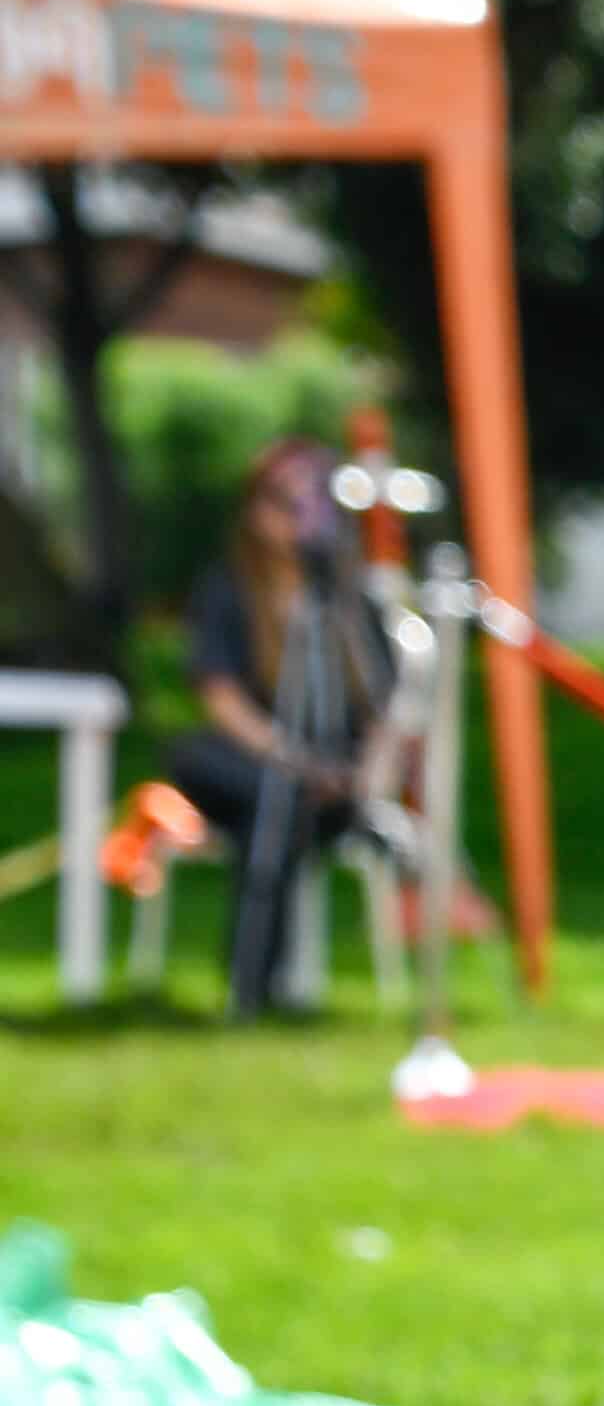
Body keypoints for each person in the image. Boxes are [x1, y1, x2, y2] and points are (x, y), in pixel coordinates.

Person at [168, 433, 402, 1021]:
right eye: (280, 500)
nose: (296, 517)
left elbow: (384, 706)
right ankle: (260, 992)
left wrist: (363, 777)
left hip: (331, 782)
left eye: (312, 502)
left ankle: (251, 992)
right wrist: (291, 760)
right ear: (253, 509)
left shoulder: (348, 601)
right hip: (251, 762)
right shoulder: (229, 590)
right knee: (267, 796)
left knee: (276, 813)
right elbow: (217, 695)